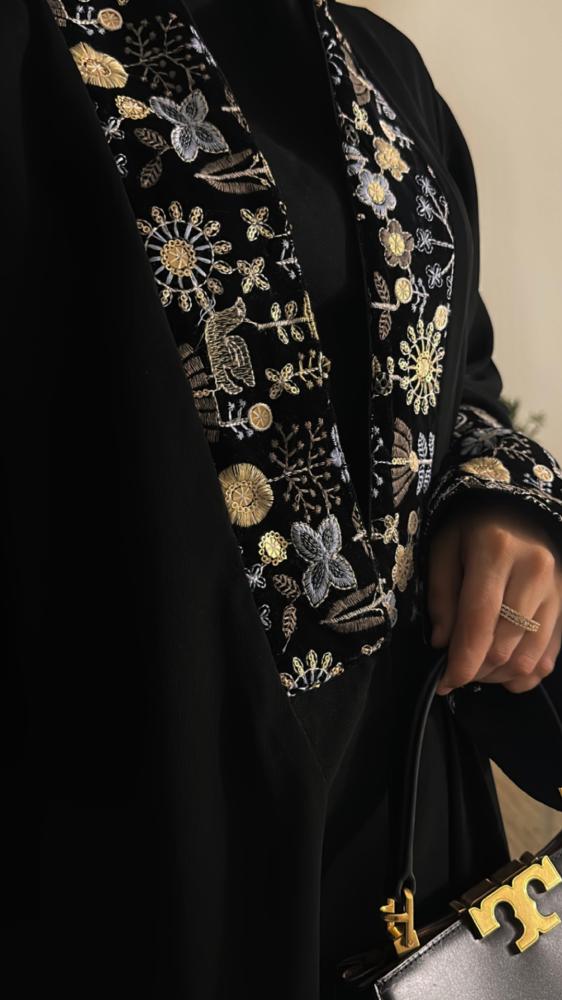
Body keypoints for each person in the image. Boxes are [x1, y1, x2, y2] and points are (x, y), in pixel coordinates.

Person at [2, 1, 561, 997]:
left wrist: (498, 503)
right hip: (133, 832)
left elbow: (458, 378)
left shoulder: (381, 65)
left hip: (404, 827)